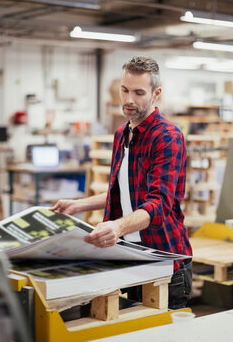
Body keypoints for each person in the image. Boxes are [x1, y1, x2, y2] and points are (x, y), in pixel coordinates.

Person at [51, 55, 192, 309]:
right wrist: (78, 205)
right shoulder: (122, 135)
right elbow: (122, 192)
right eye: (125, 90)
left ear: (155, 93)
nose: (129, 100)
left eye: (139, 92)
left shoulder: (167, 137)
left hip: (164, 264)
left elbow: (157, 204)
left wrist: (117, 227)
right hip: (131, 257)